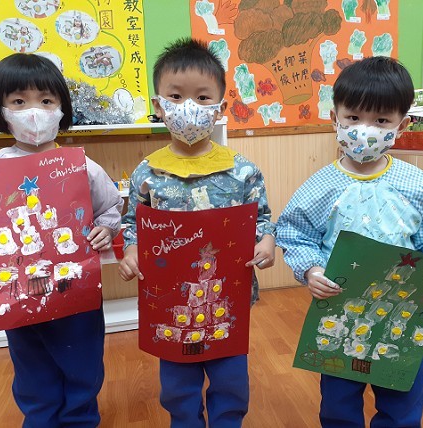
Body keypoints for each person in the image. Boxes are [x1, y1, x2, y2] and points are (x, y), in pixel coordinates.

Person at [275, 56, 423, 428]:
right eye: (353, 117)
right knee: (339, 403)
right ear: (334, 118)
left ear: (402, 125)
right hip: (338, 312)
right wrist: (311, 269)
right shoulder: (319, 187)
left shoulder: (419, 187)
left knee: (402, 403)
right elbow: (296, 234)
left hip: (403, 315)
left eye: (381, 121)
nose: (364, 130)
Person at [0, 53, 124, 428]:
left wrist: (106, 229)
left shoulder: (82, 166)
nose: (34, 112)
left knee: (83, 362)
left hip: (74, 291)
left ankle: (81, 419)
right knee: (31, 367)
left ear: (61, 108)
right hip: (17, 295)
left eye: (46, 100)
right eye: (19, 101)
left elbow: (110, 209)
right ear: (2, 110)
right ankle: (41, 419)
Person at [118, 37, 276, 428]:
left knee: (230, 378)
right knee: (177, 382)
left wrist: (266, 242)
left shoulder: (241, 170)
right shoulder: (147, 173)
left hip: (226, 297)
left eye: (203, 97)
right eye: (176, 96)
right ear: (159, 106)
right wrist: (131, 251)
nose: (189, 106)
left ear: (220, 108)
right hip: (171, 297)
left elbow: (262, 217)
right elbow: (132, 222)